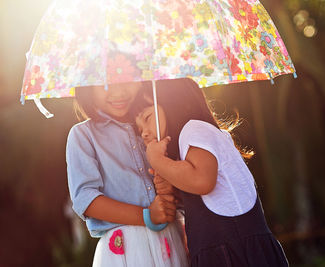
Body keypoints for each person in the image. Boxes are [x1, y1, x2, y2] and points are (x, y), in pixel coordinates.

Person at [133, 78, 289, 267]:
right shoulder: (191, 143)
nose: (143, 133)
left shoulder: (195, 129)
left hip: (234, 253)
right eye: (140, 128)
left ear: (173, 102)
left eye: (147, 118)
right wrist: (172, 184)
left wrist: (158, 161)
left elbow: (202, 182)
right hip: (220, 251)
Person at [66, 82, 188, 267]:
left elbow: (186, 187)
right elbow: (86, 199)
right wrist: (147, 215)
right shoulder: (83, 135)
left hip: (170, 243)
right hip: (126, 251)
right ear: (87, 87)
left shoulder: (153, 125)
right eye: (105, 84)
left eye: (127, 81)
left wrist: (171, 187)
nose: (119, 91)